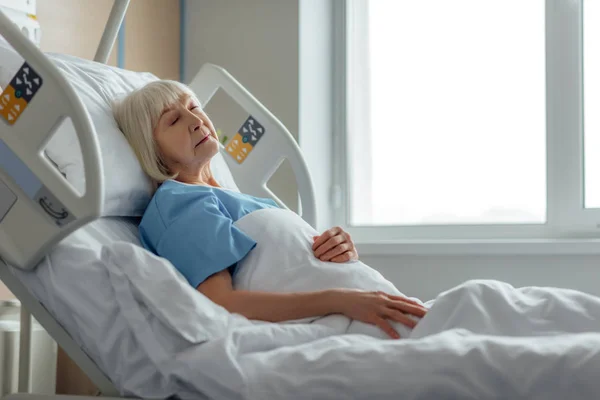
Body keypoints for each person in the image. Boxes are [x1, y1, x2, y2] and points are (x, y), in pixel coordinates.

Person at [112, 80, 427, 339]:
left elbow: (292, 262)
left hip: (372, 306)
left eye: (194, 108)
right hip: (346, 322)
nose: (196, 121)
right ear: (151, 149)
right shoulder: (180, 201)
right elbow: (223, 303)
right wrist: (341, 299)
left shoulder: (234, 198)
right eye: (174, 120)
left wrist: (340, 249)